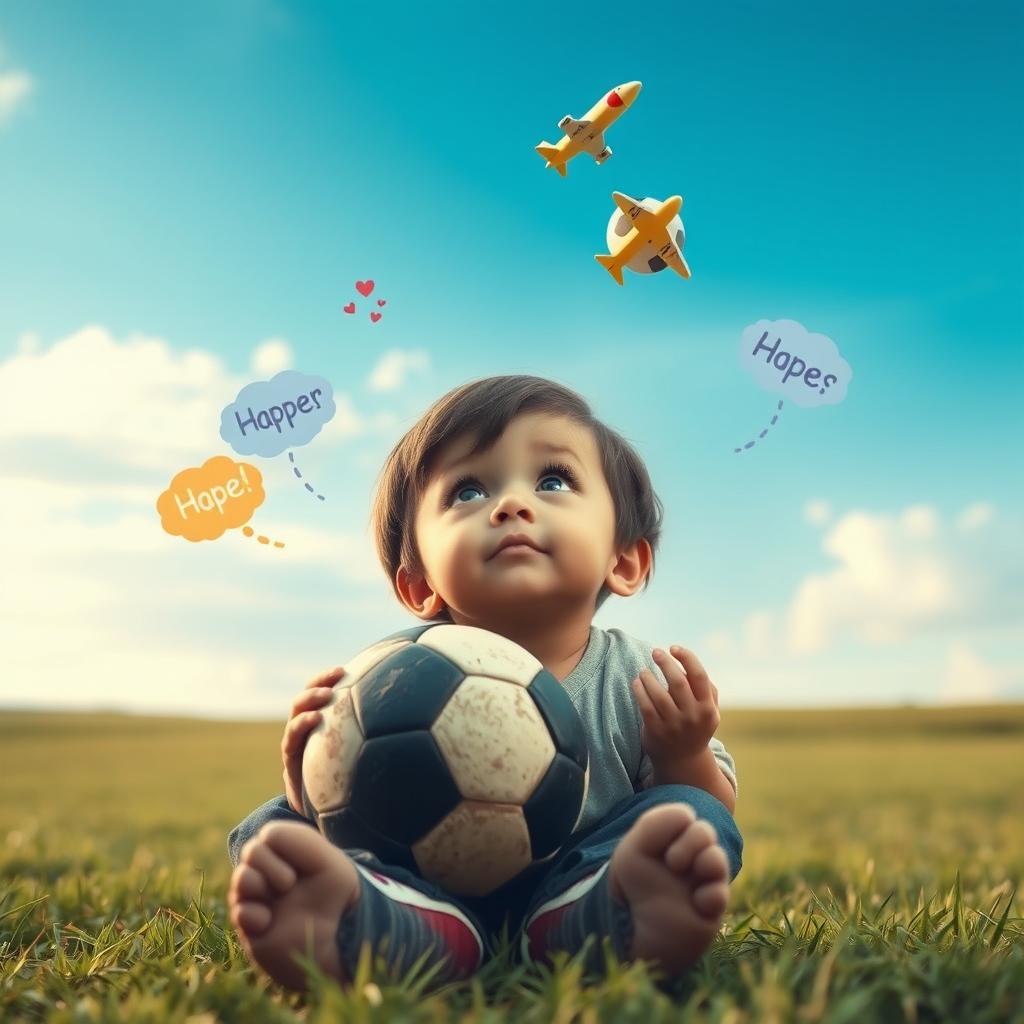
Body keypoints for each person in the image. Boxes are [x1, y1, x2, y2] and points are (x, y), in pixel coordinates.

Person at [226, 374, 743, 992]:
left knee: (691, 815)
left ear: (624, 560)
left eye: (554, 480)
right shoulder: (383, 681)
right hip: (425, 888)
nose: (511, 504)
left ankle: (592, 916)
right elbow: (343, 814)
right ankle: (403, 927)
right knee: (272, 830)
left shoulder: (638, 679)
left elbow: (718, 806)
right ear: (419, 584)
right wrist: (307, 774)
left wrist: (682, 753)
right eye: (468, 490)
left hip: (585, 882)